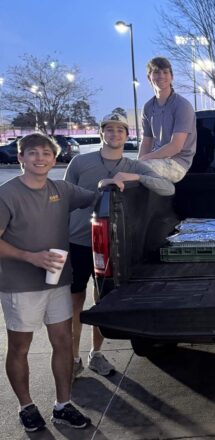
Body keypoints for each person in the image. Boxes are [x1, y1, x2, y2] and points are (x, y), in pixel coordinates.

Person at [65, 113, 175, 379]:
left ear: (127, 135)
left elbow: (167, 188)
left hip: (112, 246)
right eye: (109, 129)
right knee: (73, 301)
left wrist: (134, 177)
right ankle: (72, 357)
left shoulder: (132, 165)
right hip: (79, 242)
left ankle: (96, 354)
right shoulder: (81, 162)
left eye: (120, 130)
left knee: (102, 300)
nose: (114, 134)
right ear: (102, 132)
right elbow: (63, 198)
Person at [0, 134, 94, 432]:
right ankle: (26, 406)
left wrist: (118, 180)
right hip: (19, 284)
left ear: (55, 159)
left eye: (45, 153)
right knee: (20, 347)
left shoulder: (62, 189)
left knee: (63, 342)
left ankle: (63, 405)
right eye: (32, 153)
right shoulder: (7, 194)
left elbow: (97, 197)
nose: (40, 158)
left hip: (58, 282)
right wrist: (31, 257)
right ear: (21, 158)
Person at [139, 56, 197, 182]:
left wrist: (145, 159)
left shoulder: (182, 105)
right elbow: (146, 142)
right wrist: (140, 159)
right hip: (156, 161)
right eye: (156, 72)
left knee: (137, 170)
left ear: (172, 77)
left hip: (177, 163)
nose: (161, 76)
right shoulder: (148, 107)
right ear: (149, 77)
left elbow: (175, 147)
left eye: (165, 72)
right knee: (129, 168)